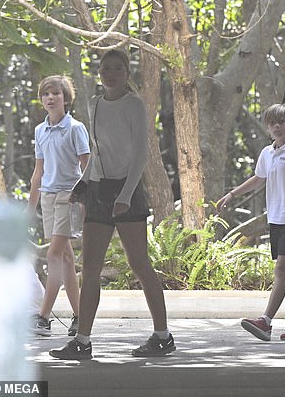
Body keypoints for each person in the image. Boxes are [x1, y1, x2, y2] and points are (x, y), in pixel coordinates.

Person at [49, 49, 175, 360]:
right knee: (90, 267)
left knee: (139, 264)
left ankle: (163, 335)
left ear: (126, 73)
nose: (110, 73)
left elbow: (140, 155)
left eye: (117, 68)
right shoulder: (94, 104)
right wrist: (84, 184)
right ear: (100, 72)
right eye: (106, 68)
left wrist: (125, 196)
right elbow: (98, 152)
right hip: (99, 189)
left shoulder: (134, 104)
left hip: (127, 191)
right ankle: (82, 341)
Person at [216, 102, 285, 341]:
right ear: (268, 128)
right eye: (272, 123)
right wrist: (232, 194)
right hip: (276, 219)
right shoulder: (268, 153)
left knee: (281, 269)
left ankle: (265, 322)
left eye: (282, 122)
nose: (277, 126)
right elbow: (258, 179)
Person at [27, 75, 89, 337]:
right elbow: (38, 173)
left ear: (66, 98)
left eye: (56, 93)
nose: (50, 98)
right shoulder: (40, 131)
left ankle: (43, 317)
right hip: (49, 199)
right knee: (64, 258)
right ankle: (80, 317)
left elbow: (87, 168)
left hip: (68, 197)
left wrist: (87, 203)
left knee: (53, 255)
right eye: (46, 94)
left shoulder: (75, 128)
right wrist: (29, 211)